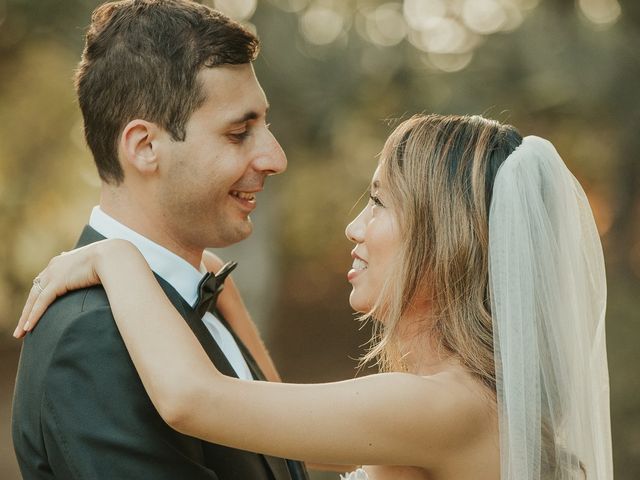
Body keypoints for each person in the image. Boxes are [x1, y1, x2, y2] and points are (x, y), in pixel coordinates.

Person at [15, 114, 613, 480]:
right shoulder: (475, 403)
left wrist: (119, 258)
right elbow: (282, 446)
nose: (354, 228)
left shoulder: (440, 407)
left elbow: (193, 401)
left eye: (379, 202)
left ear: (443, 238)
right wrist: (233, 310)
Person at [10, 1, 309, 479]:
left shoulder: (206, 291)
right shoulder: (91, 339)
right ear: (145, 147)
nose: (275, 158)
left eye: (264, 125)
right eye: (239, 132)